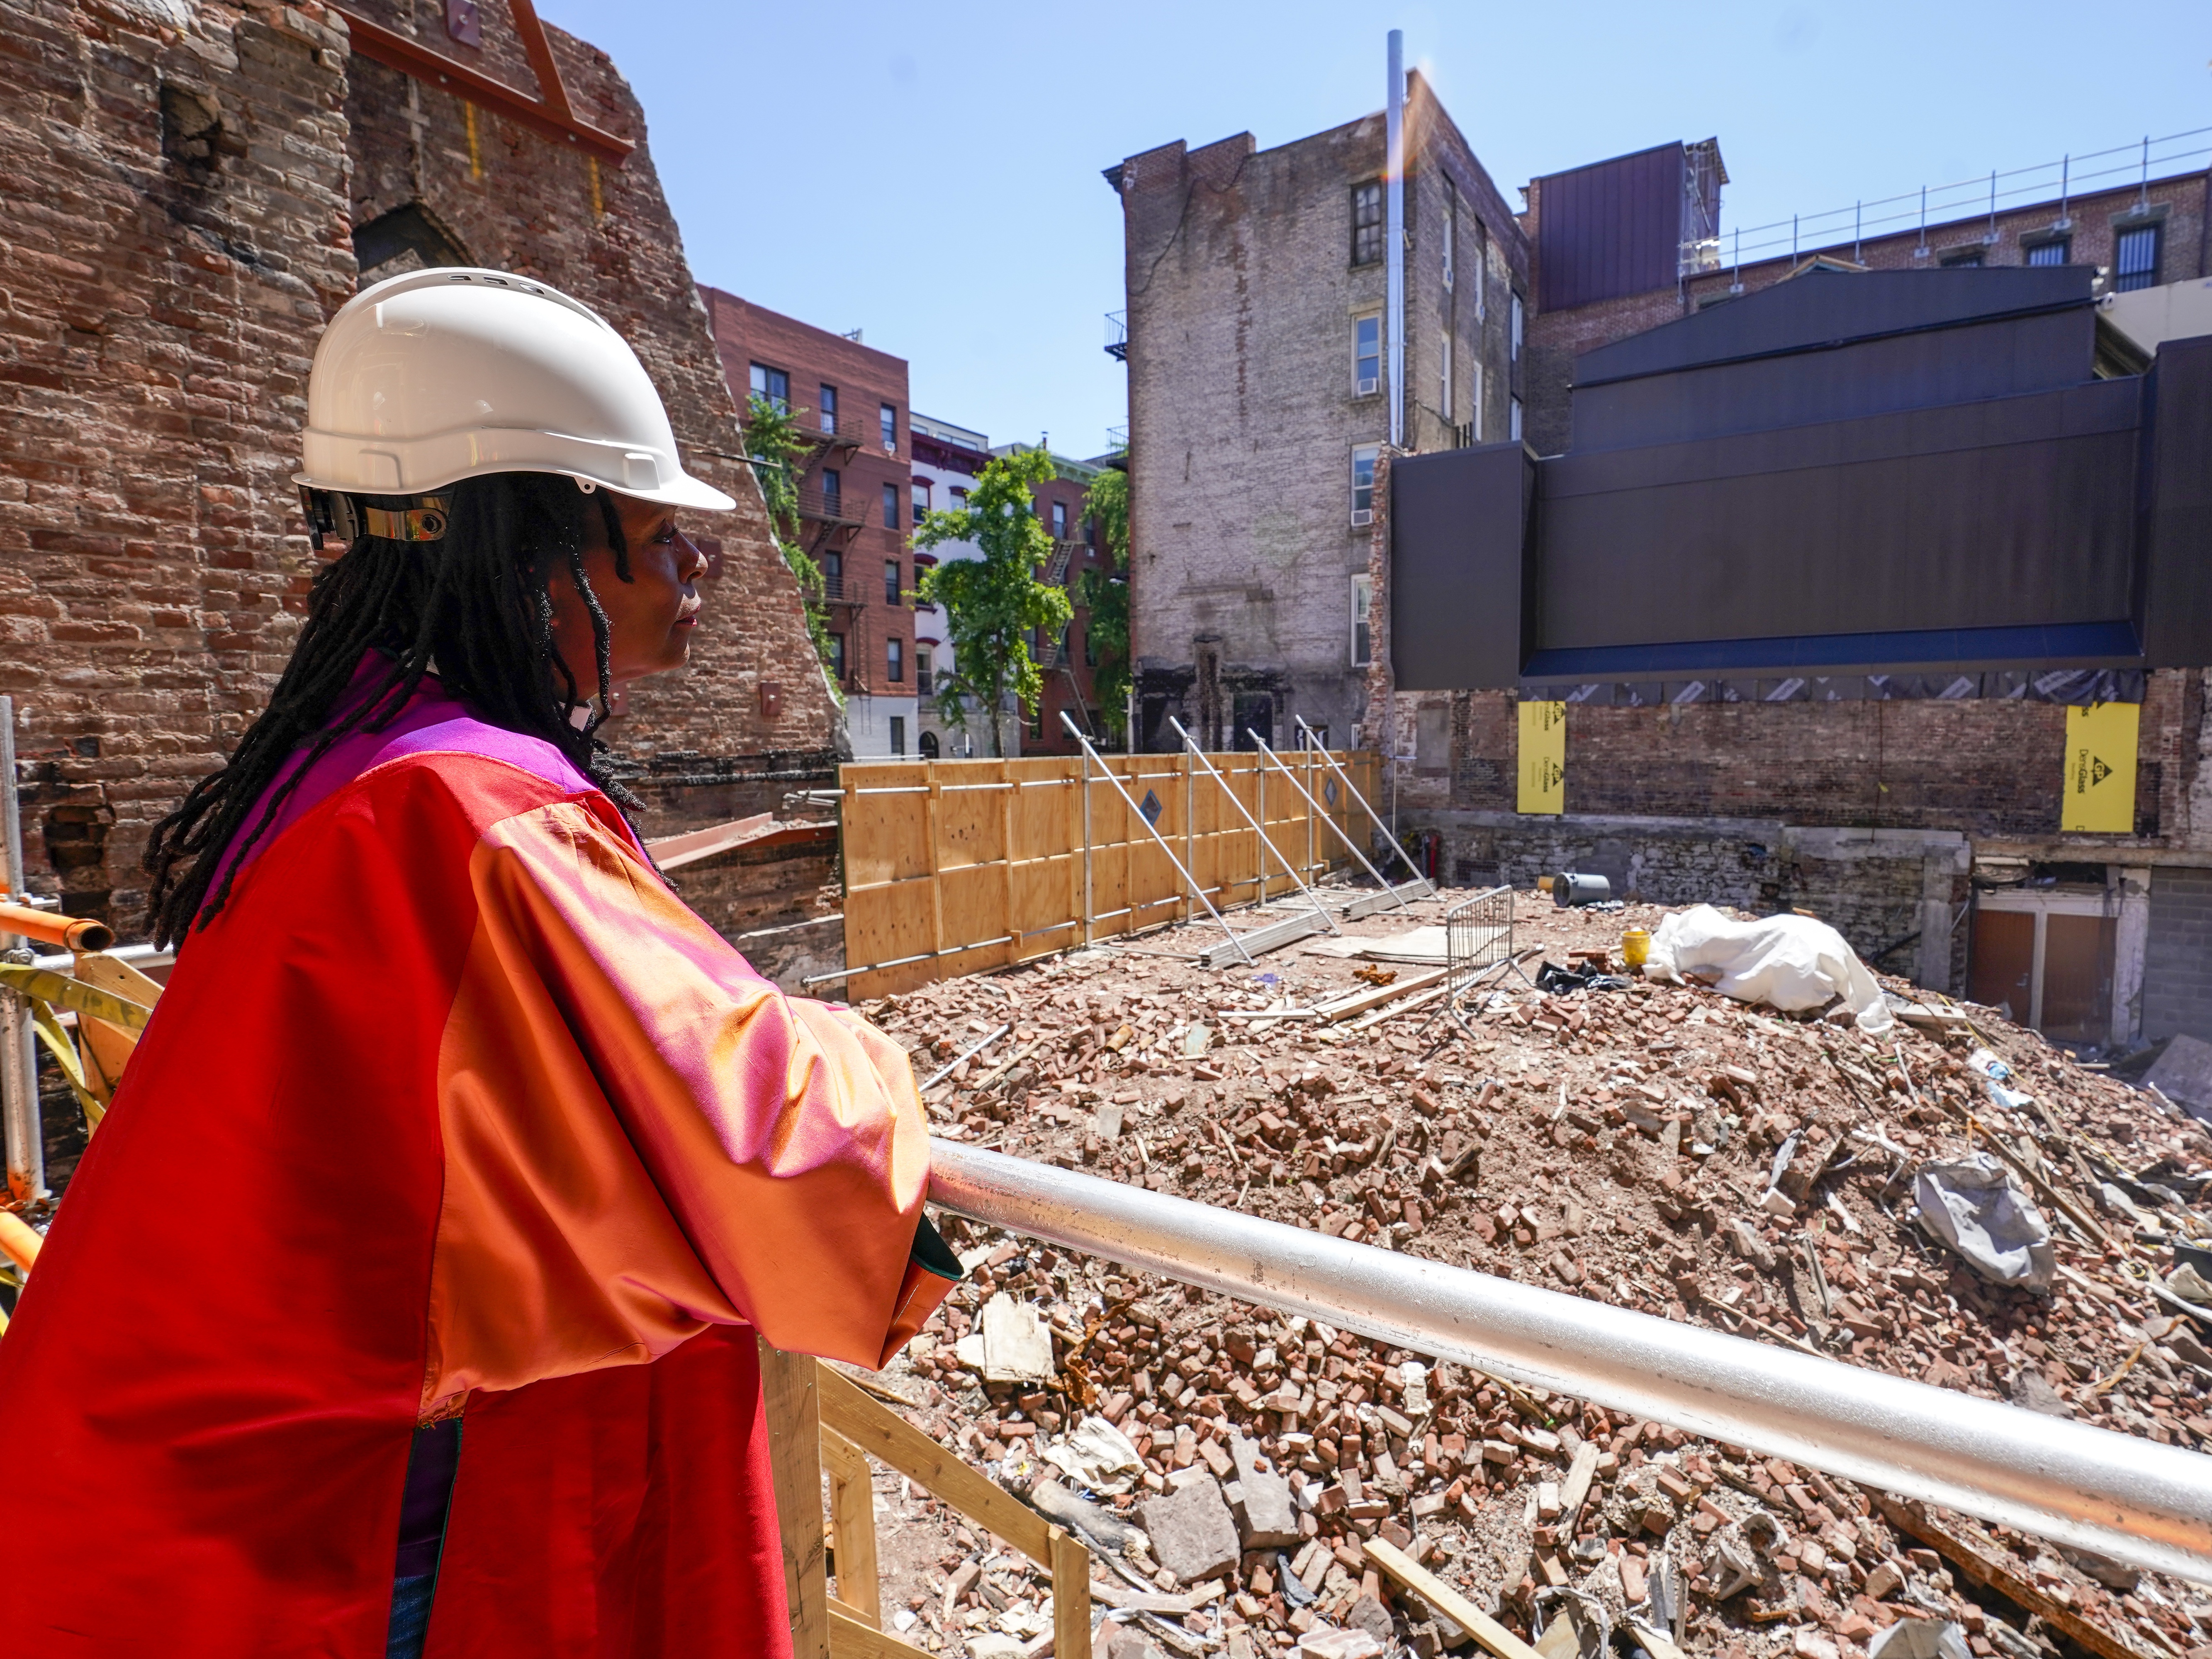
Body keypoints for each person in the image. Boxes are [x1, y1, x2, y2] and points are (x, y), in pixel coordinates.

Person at [0, 269, 958, 1658]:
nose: (702, 566)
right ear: (531, 536)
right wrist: (873, 1053)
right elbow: (773, 1147)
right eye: (658, 527)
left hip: (153, 1506)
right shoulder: (474, 814)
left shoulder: (339, 767)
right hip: (306, 1538)